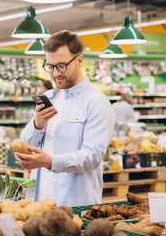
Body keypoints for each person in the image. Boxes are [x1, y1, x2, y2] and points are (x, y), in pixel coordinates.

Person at [14, 30, 115, 207]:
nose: (55, 74)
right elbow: (25, 143)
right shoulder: (49, 97)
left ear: (79, 61)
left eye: (62, 66)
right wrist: (37, 125)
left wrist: (51, 161)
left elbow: (92, 157)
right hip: (37, 201)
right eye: (51, 66)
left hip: (73, 206)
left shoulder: (97, 102)